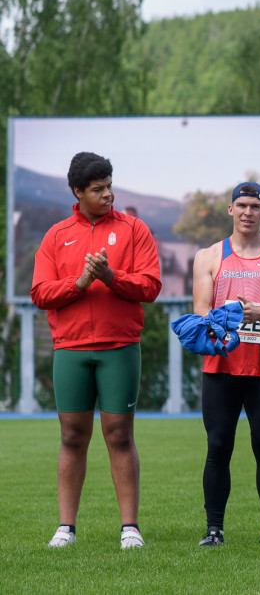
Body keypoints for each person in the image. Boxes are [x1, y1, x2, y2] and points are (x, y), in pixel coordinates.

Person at [31, 152, 162, 549]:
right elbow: (40, 293)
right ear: (78, 192)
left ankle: (130, 529)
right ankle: (65, 528)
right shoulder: (56, 236)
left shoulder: (134, 229)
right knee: (72, 435)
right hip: (70, 348)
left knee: (119, 434)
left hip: (119, 347)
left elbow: (151, 286)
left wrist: (109, 275)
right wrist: (80, 282)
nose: (108, 195)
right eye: (98, 189)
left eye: (110, 186)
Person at [191, 181, 260, 546]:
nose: (248, 212)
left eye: (255, 206)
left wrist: (259, 314)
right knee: (218, 446)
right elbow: (201, 312)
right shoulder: (208, 257)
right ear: (230, 210)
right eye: (242, 205)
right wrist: (227, 320)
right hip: (220, 371)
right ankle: (213, 529)